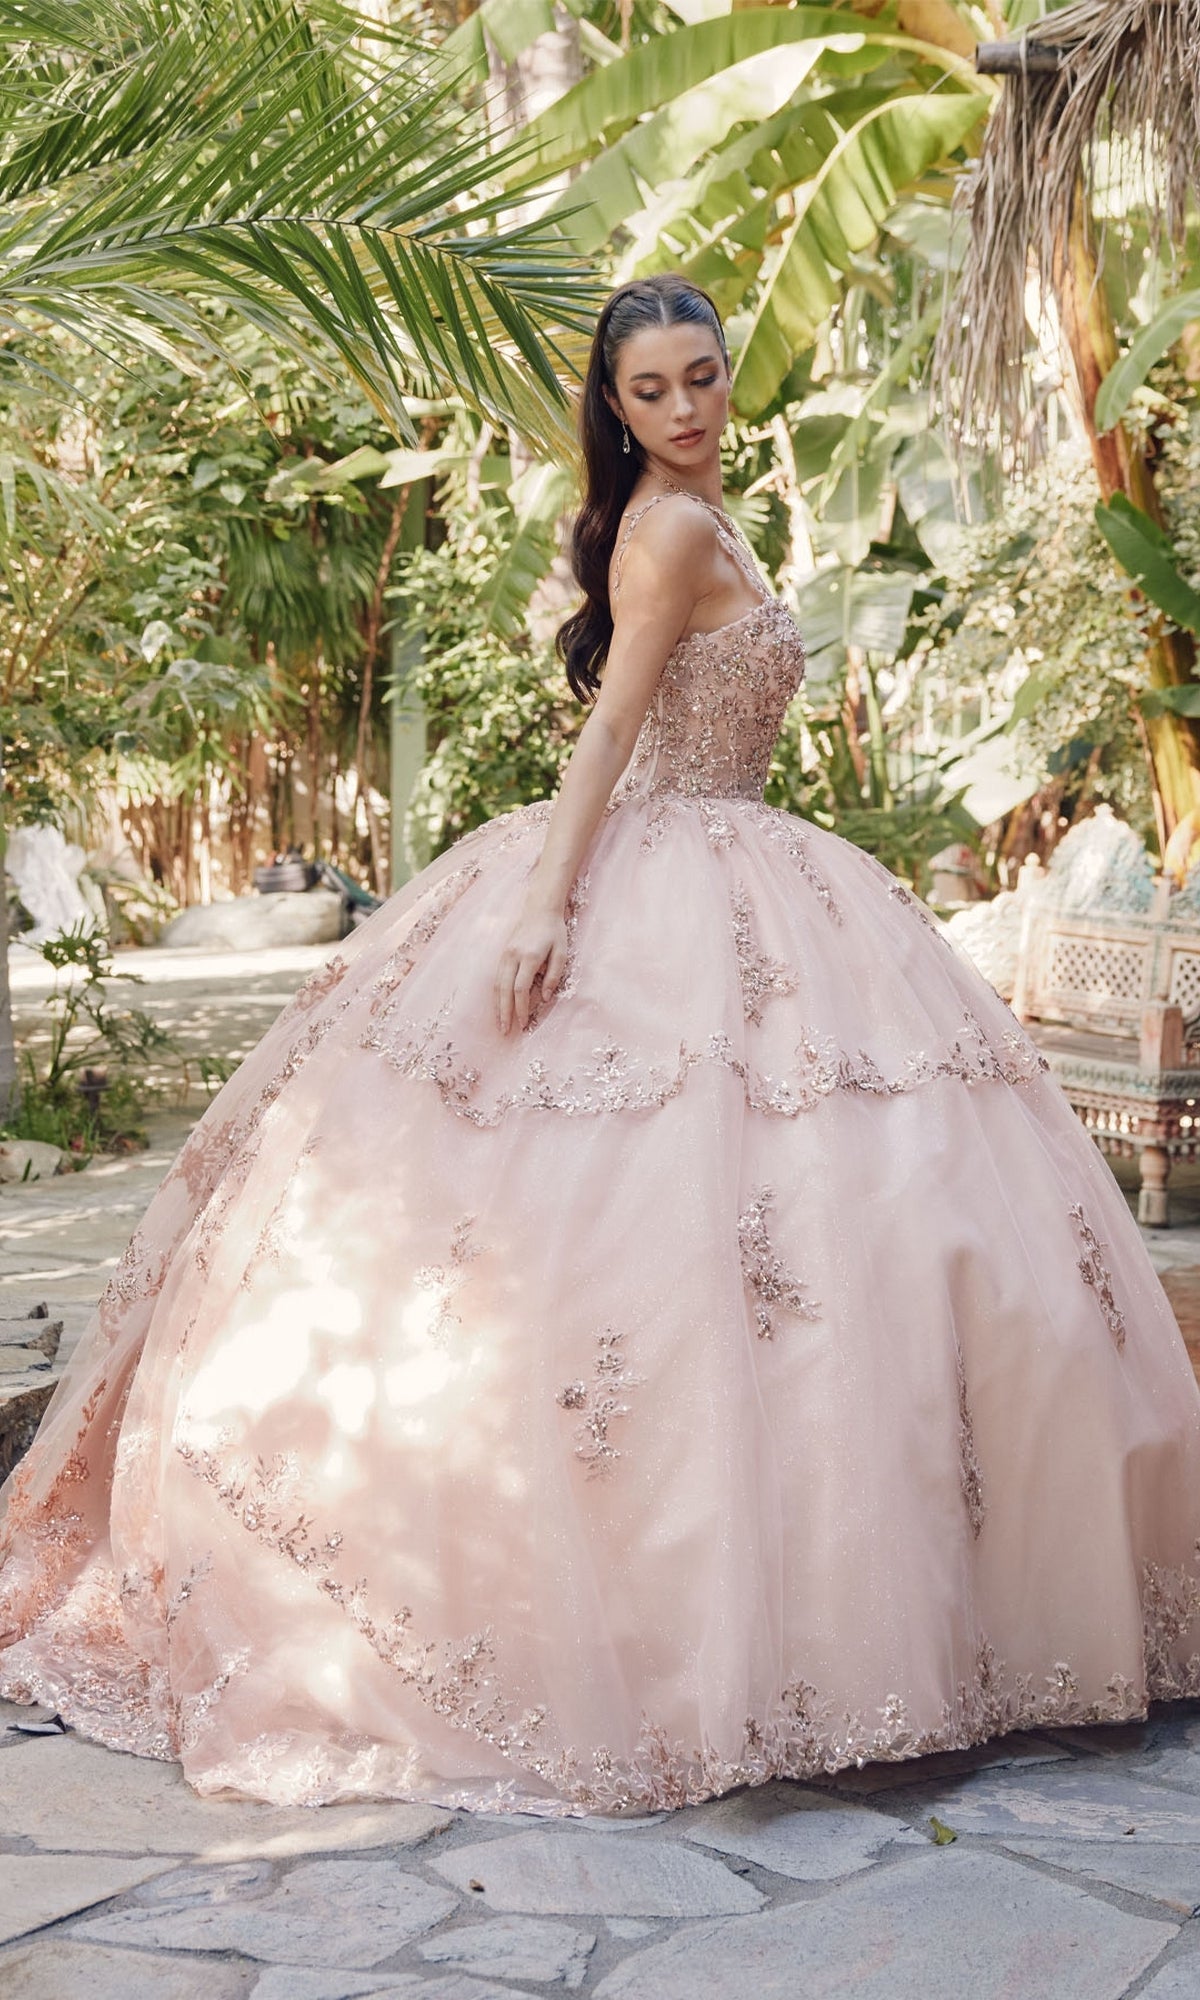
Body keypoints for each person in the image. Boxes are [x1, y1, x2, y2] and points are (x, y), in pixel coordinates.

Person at [2, 274, 1199, 1819]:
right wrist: (539, 912)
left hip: (753, 872)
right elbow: (616, 729)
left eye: (704, 377)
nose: (690, 407)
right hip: (658, 874)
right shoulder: (673, 529)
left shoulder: (704, 513)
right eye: (655, 390)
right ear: (615, 408)